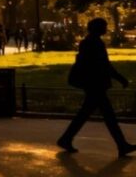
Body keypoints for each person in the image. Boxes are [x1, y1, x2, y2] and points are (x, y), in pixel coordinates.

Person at [57, 18, 136, 157]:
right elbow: (104, 65)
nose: (106, 28)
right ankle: (121, 145)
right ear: (98, 28)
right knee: (108, 117)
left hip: (92, 84)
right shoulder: (95, 43)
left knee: (87, 115)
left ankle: (66, 138)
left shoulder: (88, 42)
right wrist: (120, 78)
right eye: (104, 26)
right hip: (96, 85)